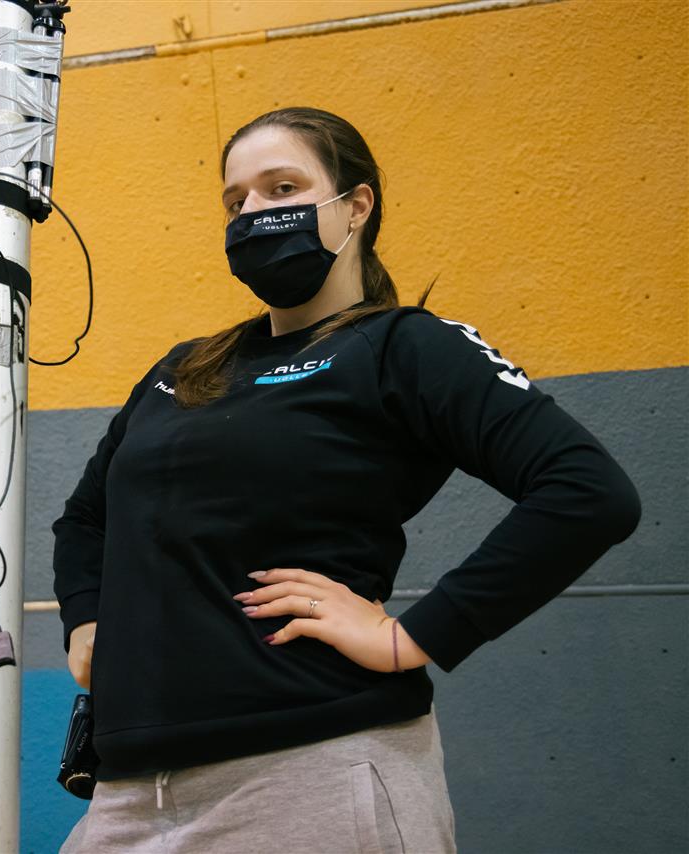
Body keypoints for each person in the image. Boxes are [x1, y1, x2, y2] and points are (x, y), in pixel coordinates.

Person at [52, 106, 642, 853]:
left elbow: (588, 491)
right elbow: (85, 519)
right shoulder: (185, 369)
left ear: (356, 205)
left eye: (282, 188)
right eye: (236, 201)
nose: (254, 212)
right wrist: (86, 621)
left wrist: (411, 636)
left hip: (314, 771)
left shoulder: (405, 346)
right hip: (131, 794)